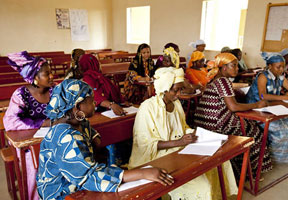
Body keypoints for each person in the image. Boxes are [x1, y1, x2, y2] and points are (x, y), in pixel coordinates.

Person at [36, 79, 173, 200]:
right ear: (77, 107)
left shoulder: (79, 121)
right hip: (62, 192)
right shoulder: (64, 136)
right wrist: (142, 173)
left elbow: (96, 141)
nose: (95, 102)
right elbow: (89, 176)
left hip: (81, 181)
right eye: (90, 100)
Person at [128, 67, 238, 199]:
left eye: (180, 89)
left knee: (219, 161)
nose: (179, 94)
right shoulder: (148, 107)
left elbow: (183, 127)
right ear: (165, 88)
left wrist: (195, 134)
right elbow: (144, 144)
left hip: (178, 148)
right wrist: (179, 142)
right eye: (175, 90)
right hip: (157, 156)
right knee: (203, 185)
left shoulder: (176, 104)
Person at [194, 53, 272, 179]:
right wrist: (257, 105)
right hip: (217, 124)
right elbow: (233, 107)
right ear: (224, 67)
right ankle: (249, 173)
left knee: (246, 125)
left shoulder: (215, 80)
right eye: (234, 66)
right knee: (255, 132)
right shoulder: (223, 81)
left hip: (205, 123)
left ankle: (239, 169)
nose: (237, 69)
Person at [4, 51, 55, 200]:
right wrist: (41, 123)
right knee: (34, 166)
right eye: (47, 74)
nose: (51, 76)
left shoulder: (55, 90)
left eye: (51, 72)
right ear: (35, 78)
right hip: (28, 144)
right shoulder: (21, 95)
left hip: (51, 138)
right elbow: (10, 121)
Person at [246, 52, 288, 163]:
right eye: (278, 67)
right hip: (256, 109)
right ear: (270, 66)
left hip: (272, 108)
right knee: (280, 130)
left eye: (282, 67)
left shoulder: (280, 77)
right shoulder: (262, 76)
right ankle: (273, 158)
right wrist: (286, 97)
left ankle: (287, 156)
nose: (281, 70)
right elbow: (262, 95)